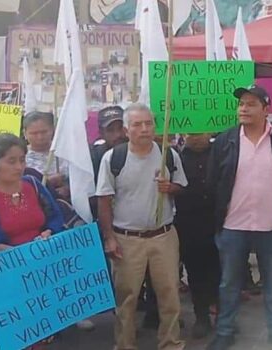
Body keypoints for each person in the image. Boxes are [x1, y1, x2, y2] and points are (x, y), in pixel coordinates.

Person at [206, 85, 272, 350]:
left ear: (265, 109)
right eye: (241, 104)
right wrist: (217, 222)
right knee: (229, 285)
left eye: (250, 104)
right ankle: (225, 332)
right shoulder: (225, 141)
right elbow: (213, 183)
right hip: (233, 227)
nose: (243, 109)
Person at [96, 104, 188, 350]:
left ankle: (171, 343)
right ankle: (125, 345)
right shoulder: (114, 158)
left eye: (148, 123)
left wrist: (170, 187)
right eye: (137, 124)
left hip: (164, 235)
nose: (144, 129)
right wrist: (109, 238)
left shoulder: (168, 153)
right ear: (127, 130)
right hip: (127, 238)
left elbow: (181, 186)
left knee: (169, 295)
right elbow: (103, 199)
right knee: (127, 298)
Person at [0, 133, 66, 349]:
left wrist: (49, 232)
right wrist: (27, 256)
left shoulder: (33, 185)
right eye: (11, 161)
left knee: (40, 338)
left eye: (22, 159)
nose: (19, 166)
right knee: (11, 342)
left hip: (41, 278)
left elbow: (56, 218)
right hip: (5, 283)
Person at [175, 133, 220, 339]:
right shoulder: (175, 157)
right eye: (191, 132)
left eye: (200, 131)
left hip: (218, 221)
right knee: (195, 273)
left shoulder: (220, 153)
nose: (196, 137)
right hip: (189, 224)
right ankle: (201, 317)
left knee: (220, 271)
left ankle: (223, 315)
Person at [22, 111, 69, 199]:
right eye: (34, 133)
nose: (40, 137)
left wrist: (68, 188)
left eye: (44, 132)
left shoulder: (65, 152)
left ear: (52, 130)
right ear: (25, 133)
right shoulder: (20, 156)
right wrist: (47, 182)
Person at [91, 106, 128, 182]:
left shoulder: (141, 151)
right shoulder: (94, 158)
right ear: (101, 133)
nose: (118, 134)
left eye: (121, 128)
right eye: (110, 130)